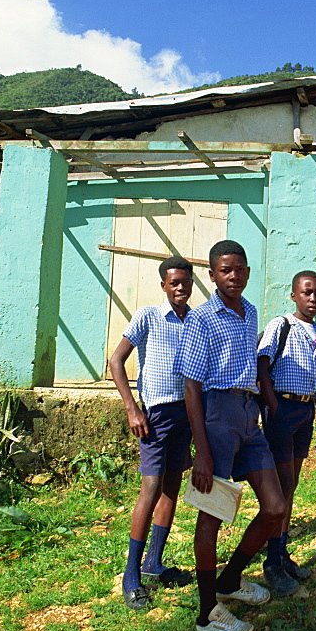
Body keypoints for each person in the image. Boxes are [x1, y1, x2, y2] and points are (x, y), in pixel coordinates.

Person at [173, 239, 291, 631]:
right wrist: (201, 450)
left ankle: (230, 579)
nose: (234, 276)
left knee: (275, 507)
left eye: (240, 269)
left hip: (248, 416)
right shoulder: (202, 319)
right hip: (217, 417)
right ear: (212, 275)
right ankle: (208, 613)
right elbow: (190, 386)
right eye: (226, 270)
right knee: (213, 513)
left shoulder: (250, 312)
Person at [109, 256, 195, 611]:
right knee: (151, 487)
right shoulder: (148, 317)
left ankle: (154, 563)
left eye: (185, 282)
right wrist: (132, 408)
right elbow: (116, 361)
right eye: (173, 282)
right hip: (155, 414)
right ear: (163, 285)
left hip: (186, 413)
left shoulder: (195, 320)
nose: (180, 287)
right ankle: (132, 574)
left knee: (172, 485)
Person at [257, 271, 316, 587]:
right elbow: (262, 366)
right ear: (294, 296)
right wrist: (274, 408)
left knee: (292, 484)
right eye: (307, 292)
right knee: (283, 483)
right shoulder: (281, 325)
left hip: (305, 412)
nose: (313, 298)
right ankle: (272, 562)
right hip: (282, 409)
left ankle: (281, 551)